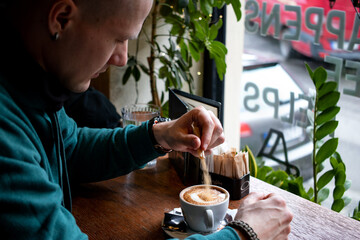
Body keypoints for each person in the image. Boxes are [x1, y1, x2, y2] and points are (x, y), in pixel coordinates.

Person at [0, 0, 293, 239]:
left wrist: (159, 135)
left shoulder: (28, 86)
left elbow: (70, 147)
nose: (122, 59)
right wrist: (243, 234)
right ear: (61, 19)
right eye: (119, 38)